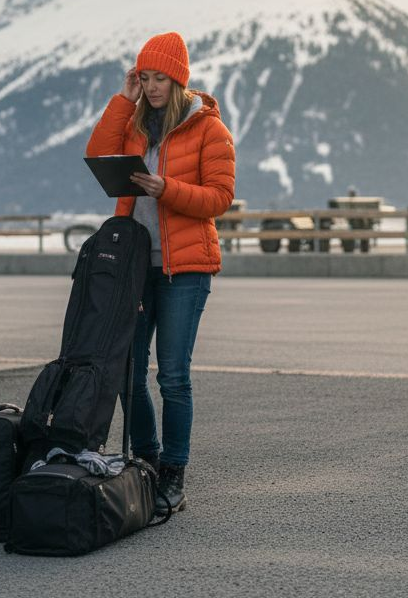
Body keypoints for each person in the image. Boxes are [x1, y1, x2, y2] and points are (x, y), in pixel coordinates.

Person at [85, 31, 236, 514]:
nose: (151, 86)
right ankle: (147, 461)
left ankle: (174, 472)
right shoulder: (133, 122)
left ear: (179, 79)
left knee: (172, 376)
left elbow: (220, 198)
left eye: (159, 78)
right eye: (144, 77)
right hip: (135, 268)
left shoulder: (209, 129)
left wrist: (165, 189)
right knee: (128, 371)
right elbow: (99, 153)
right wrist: (121, 98)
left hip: (186, 270)